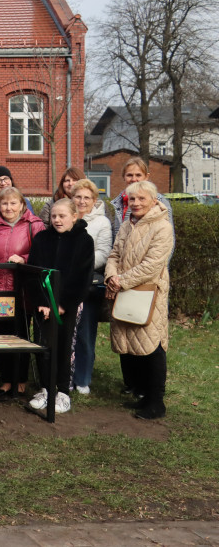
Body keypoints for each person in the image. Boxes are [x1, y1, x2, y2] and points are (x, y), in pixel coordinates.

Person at [105, 180, 174, 420]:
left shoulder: (162, 228)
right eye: (132, 199)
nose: (135, 203)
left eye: (141, 199)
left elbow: (152, 266)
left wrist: (120, 280)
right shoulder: (126, 225)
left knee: (152, 344)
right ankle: (143, 394)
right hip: (124, 290)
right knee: (132, 341)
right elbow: (114, 254)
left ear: (154, 201)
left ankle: (156, 402)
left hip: (150, 292)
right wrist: (111, 276)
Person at [26, 198, 95, 414]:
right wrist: (42, 303)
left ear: (74, 216)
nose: (57, 220)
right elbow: (34, 272)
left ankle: (63, 391)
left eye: (62, 216)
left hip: (68, 305)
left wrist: (64, 304)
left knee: (65, 346)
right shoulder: (41, 239)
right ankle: (46, 388)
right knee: (42, 344)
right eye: (54, 216)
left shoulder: (84, 241)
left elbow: (82, 277)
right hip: (43, 306)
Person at [0, 186, 45, 398]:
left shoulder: (34, 225)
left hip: (22, 290)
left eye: (13, 203)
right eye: (4, 203)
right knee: (1, 337)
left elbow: (42, 253)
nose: (9, 207)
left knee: (21, 335)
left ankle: (21, 380)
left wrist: (23, 258)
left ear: (22, 205)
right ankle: (7, 379)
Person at [71, 179, 114, 395]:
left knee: (85, 333)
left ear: (94, 200)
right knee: (68, 332)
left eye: (86, 197)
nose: (81, 201)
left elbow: (104, 252)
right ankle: (66, 375)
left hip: (88, 282)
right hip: (66, 282)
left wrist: (78, 264)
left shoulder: (102, 222)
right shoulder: (65, 216)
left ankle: (83, 378)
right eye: (78, 196)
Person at [111, 157, 174, 239]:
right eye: (129, 175)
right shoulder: (118, 202)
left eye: (138, 175)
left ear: (146, 177)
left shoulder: (159, 200)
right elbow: (117, 236)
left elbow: (169, 237)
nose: (134, 179)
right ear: (124, 177)